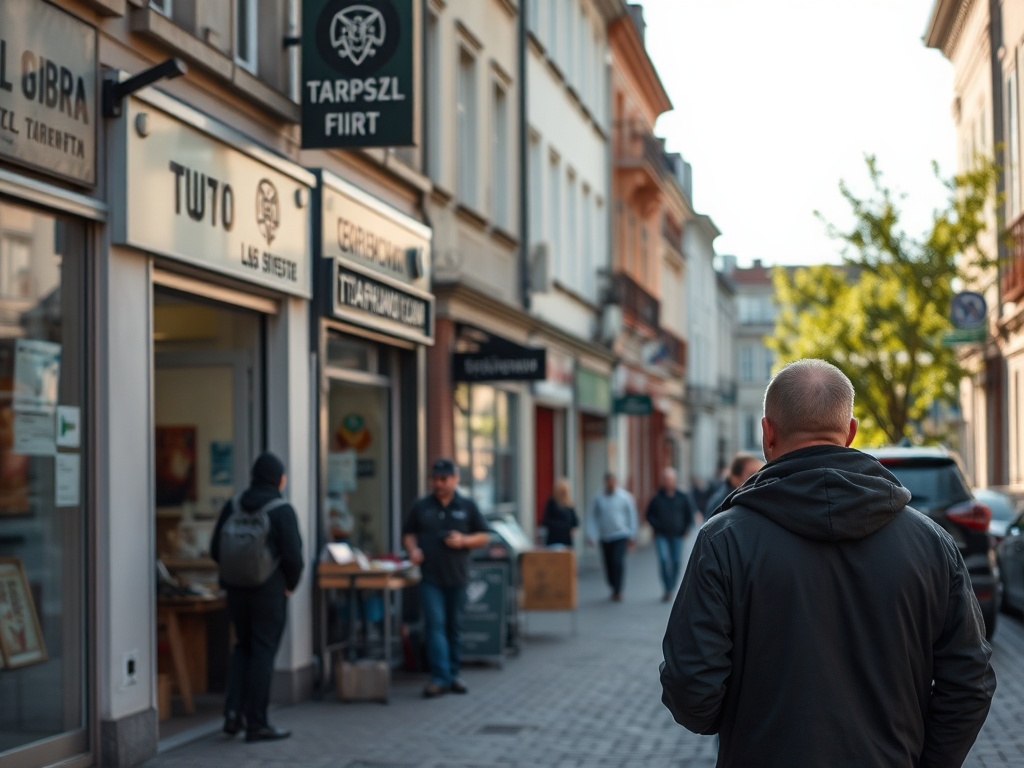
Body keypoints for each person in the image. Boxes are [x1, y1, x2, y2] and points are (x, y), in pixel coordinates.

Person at [660, 359, 996, 767]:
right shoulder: (931, 542)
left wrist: (747, 724)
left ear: (767, 434)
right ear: (851, 432)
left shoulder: (724, 539)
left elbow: (692, 688)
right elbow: (970, 681)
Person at [211, 452, 304, 743]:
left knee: (242, 648)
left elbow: (216, 549)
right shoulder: (281, 509)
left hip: (236, 591)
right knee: (263, 651)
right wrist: (289, 585)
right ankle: (257, 723)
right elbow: (293, 557)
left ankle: (232, 714)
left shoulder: (233, 505)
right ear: (280, 479)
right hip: (269, 592)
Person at [402, 458, 490, 698]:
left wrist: (464, 541)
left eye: (444, 479)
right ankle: (439, 677)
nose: (439, 484)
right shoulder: (421, 506)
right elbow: (408, 533)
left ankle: (454, 675)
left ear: (455, 479)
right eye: (435, 479)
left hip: (458, 577)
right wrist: (413, 550)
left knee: (454, 627)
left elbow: (484, 536)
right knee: (435, 625)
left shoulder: (467, 505)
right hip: (430, 577)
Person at [585, 471, 638, 602]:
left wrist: (632, 534)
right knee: (608, 563)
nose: (610, 484)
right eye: (608, 482)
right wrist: (591, 534)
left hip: (620, 534)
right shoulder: (598, 498)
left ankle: (618, 589)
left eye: (612, 482)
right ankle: (612, 585)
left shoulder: (625, 497)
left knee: (617, 562)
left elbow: (632, 516)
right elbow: (593, 517)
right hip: (605, 536)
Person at [646, 467, 695, 602]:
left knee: (676, 561)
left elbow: (689, 513)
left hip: (678, 534)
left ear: (675, 480)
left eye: (670, 479)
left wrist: (687, 528)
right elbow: (649, 515)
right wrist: (656, 526)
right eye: (666, 479)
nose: (668, 482)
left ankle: (672, 587)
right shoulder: (657, 498)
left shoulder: (682, 496)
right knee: (663, 560)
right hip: (661, 534)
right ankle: (667, 588)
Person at [703, 451, 763, 517]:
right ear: (735, 478)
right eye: (752, 475)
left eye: (760, 474)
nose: (758, 478)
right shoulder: (720, 504)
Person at [541, 477, 579, 548]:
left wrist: (571, 529)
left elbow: (575, 522)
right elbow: (545, 520)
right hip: (553, 539)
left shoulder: (569, 504)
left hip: (566, 540)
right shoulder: (552, 503)